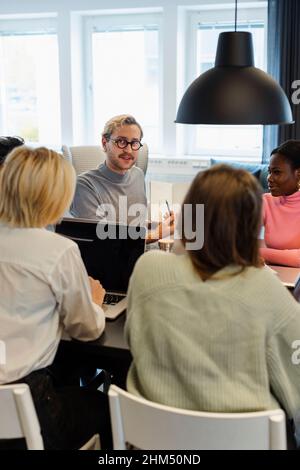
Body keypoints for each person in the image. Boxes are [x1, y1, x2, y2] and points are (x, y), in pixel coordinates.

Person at [125, 164, 300, 446]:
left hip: (156, 441)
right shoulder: (265, 289)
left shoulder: (148, 268)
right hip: (241, 440)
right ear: (251, 224)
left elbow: (134, 339)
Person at [0, 146, 112, 449]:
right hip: (30, 411)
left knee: (66, 371)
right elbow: (87, 329)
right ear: (55, 196)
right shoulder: (57, 250)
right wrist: (94, 301)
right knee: (104, 406)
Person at [70, 114, 174, 242]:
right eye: (121, 142)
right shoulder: (84, 186)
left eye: (134, 143)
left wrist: (159, 225)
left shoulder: (138, 175)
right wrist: (156, 234)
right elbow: (102, 243)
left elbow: (131, 225)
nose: (129, 150)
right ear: (104, 143)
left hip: (139, 256)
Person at [260, 140, 300, 267]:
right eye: (269, 171)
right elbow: (238, 239)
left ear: (298, 174)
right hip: (273, 275)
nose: (269, 178)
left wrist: (260, 253)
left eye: (276, 172)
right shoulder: (266, 201)